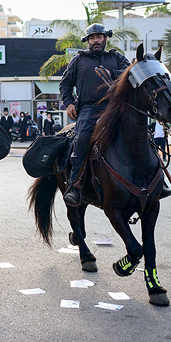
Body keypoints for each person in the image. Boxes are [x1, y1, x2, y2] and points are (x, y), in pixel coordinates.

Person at [59, 23, 131, 205]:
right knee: (82, 139)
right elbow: (65, 84)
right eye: (92, 38)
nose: (95, 41)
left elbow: (131, 72)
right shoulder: (78, 60)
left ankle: (155, 180)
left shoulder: (116, 57)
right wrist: (68, 103)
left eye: (98, 37)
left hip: (115, 107)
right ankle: (75, 185)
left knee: (141, 134)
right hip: (89, 109)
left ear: (105, 38)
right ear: (88, 41)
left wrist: (112, 73)